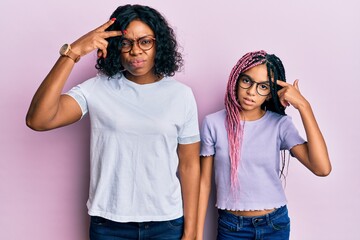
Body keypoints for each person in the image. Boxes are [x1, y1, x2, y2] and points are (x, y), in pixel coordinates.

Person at [26, 4, 200, 240]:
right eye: (126, 43)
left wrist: (191, 233)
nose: (135, 51)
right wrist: (73, 52)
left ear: (159, 44)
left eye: (145, 42)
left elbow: (189, 166)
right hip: (109, 224)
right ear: (115, 47)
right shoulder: (98, 87)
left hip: (165, 224)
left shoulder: (181, 95)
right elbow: (39, 119)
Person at [196, 50, 331, 240]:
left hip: (274, 225)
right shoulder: (213, 123)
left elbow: (322, 168)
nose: (252, 91)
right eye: (246, 81)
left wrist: (304, 107)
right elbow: (204, 183)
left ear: (270, 94)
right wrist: (196, 234)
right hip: (232, 227)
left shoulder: (280, 125)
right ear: (236, 79)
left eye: (263, 86)